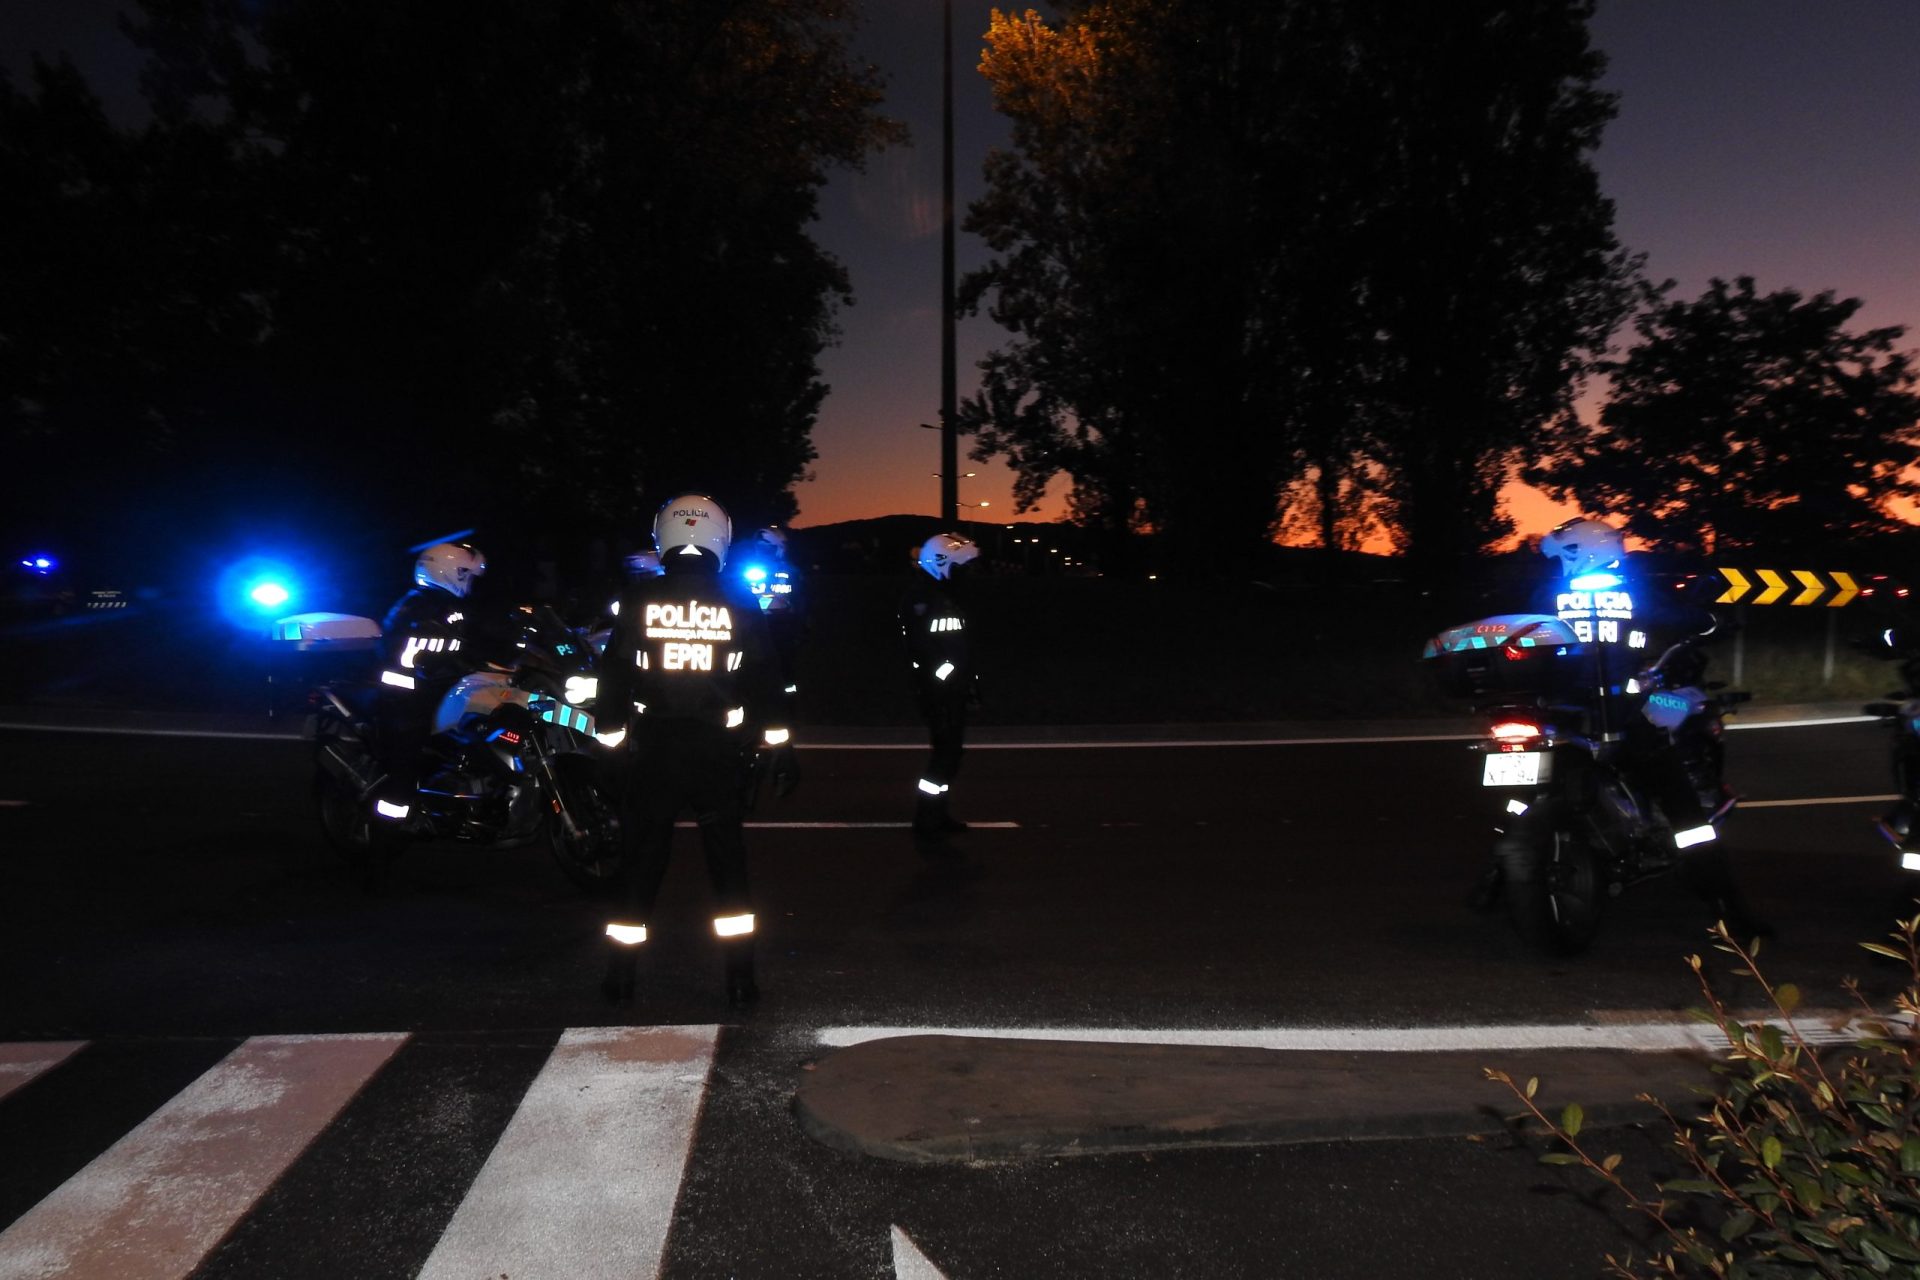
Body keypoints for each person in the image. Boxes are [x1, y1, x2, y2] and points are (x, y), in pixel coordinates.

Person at [597, 494, 789, 1008]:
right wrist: (778, 743)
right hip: (717, 753)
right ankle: (741, 979)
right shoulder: (741, 603)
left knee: (641, 863)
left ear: (662, 537)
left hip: (656, 748)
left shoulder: (639, 599)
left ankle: (620, 976)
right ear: (720, 538)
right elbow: (766, 681)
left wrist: (611, 744)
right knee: (727, 863)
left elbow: (613, 676)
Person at [1536, 516, 1765, 935]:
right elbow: (1688, 620)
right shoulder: (1632, 591)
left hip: (1558, 712)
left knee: (1530, 797)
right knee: (1686, 813)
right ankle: (1731, 911)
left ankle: (1497, 880)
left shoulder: (1544, 595)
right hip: (1620, 713)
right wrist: (1709, 618)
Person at [373, 541, 487, 822]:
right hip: (404, 695)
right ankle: (390, 820)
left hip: (437, 688)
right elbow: (421, 646)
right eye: (466, 575)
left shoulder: (450, 605)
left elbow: (475, 638)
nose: (470, 582)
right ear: (448, 571)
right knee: (409, 747)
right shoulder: (415, 606)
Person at [900, 532, 981, 842]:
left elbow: (963, 646)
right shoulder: (920, 599)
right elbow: (922, 649)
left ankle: (939, 812)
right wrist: (946, 678)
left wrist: (969, 684)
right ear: (941, 564)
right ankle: (926, 816)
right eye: (962, 567)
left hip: (953, 689)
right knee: (945, 752)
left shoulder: (950, 597)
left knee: (952, 752)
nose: (967, 574)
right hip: (937, 691)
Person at [740, 527, 805, 797]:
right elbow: (742, 604)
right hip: (752, 647)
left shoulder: (790, 573)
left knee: (783, 705)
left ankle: (782, 762)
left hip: (782, 647)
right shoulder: (745, 571)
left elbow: (794, 606)